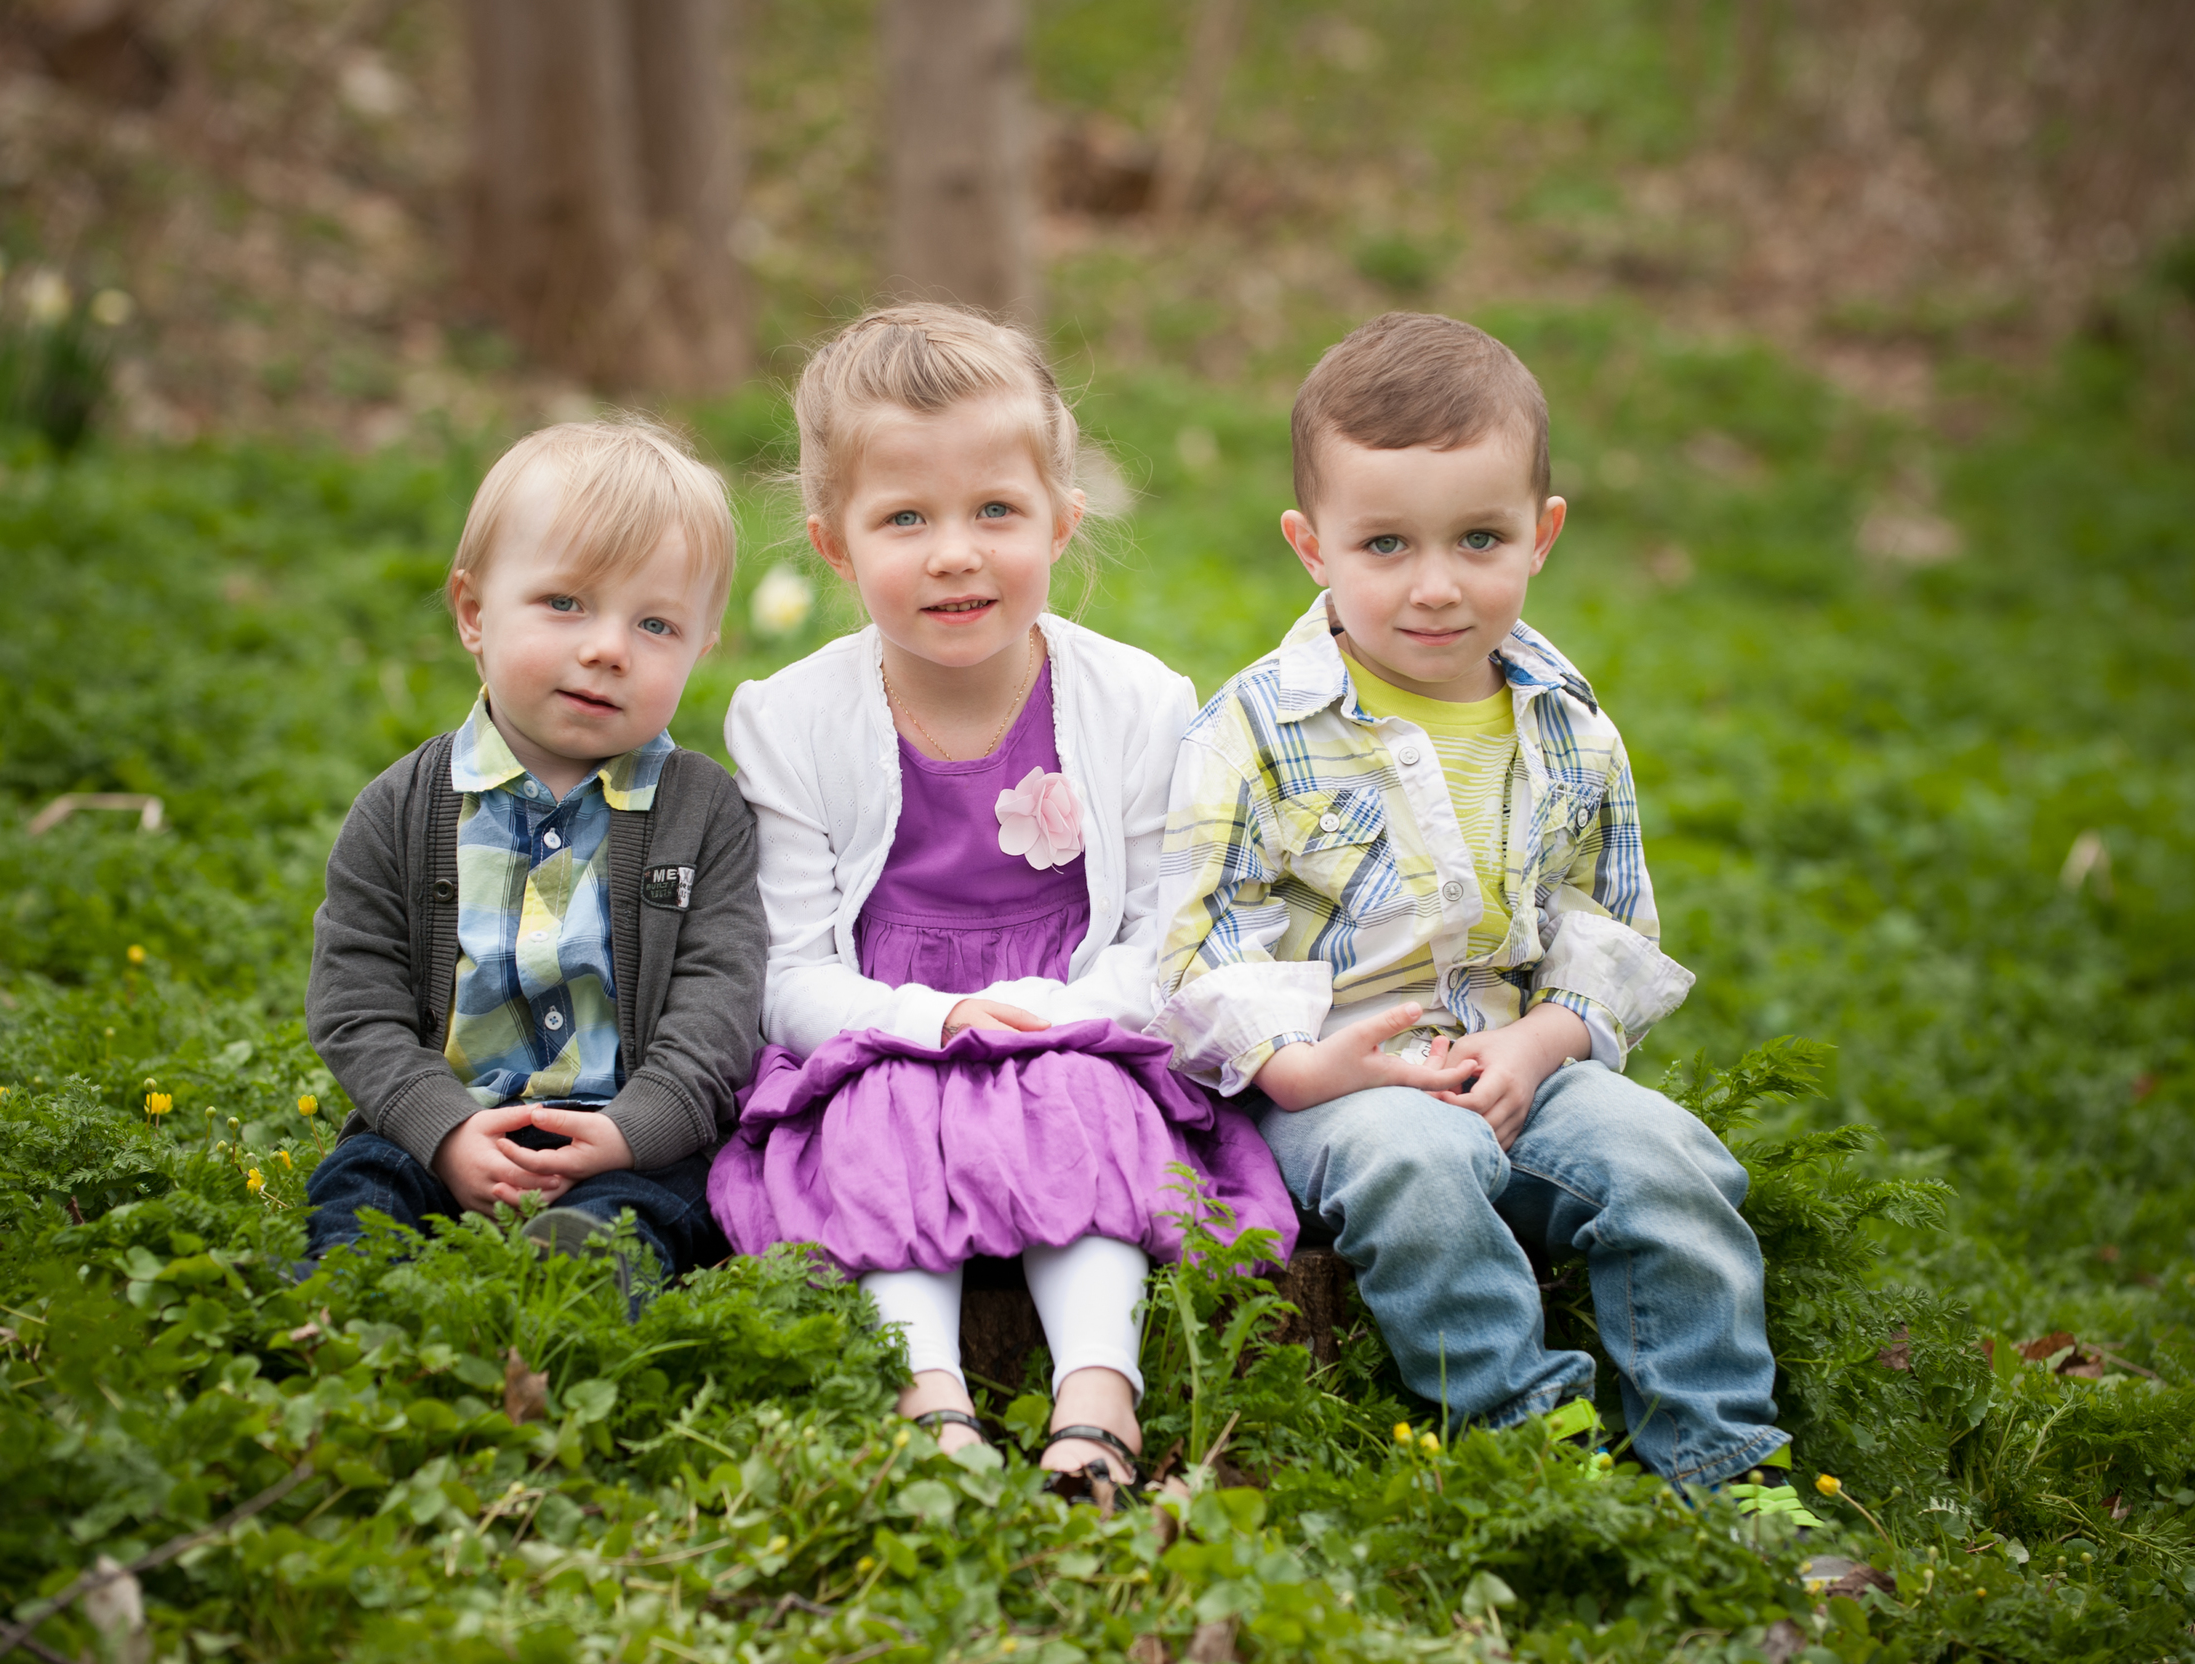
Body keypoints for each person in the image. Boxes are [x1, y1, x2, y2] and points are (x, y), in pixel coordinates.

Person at [1151, 312, 1795, 1493]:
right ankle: (1532, 1452)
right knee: (1415, 1169)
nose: (1435, 585)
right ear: (1312, 546)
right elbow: (1197, 936)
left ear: (1541, 534)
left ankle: (1719, 1457)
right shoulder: (1253, 730)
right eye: (1385, 543)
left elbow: (1604, 920)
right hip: (1340, 1082)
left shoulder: (1567, 724)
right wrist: (1305, 1067)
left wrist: (1543, 1040)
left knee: (1663, 1158)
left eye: (1479, 538)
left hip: (1522, 1060)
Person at [708, 304, 1295, 1493]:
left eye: (995, 512)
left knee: (1084, 1106)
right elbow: (790, 964)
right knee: (875, 1125)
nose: (954, 552)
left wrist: (1051, 1010)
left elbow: (1164, 929)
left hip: (1076, 1010)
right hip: (880, 1023)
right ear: (833, 544)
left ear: (1061, 522)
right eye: (904, 518)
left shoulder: (1134, 700)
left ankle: (1096, 1400)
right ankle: (929, 1401)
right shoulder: (788, 717)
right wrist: (929, 1024)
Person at [301, 419, 765, 1288]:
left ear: (702, 649)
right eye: (565, 603)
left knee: (681, 1195)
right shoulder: (402, 808)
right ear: (474, 613)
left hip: (628, 1131)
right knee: (364, 1179)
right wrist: (439, 1129)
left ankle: (589, 1268)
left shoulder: (704, 815)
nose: (607, 648)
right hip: (445, 1125)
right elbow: (354, 1000)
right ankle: (352, 1293)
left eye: (656, 624)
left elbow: (721, 1002)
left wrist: (637, 1128)